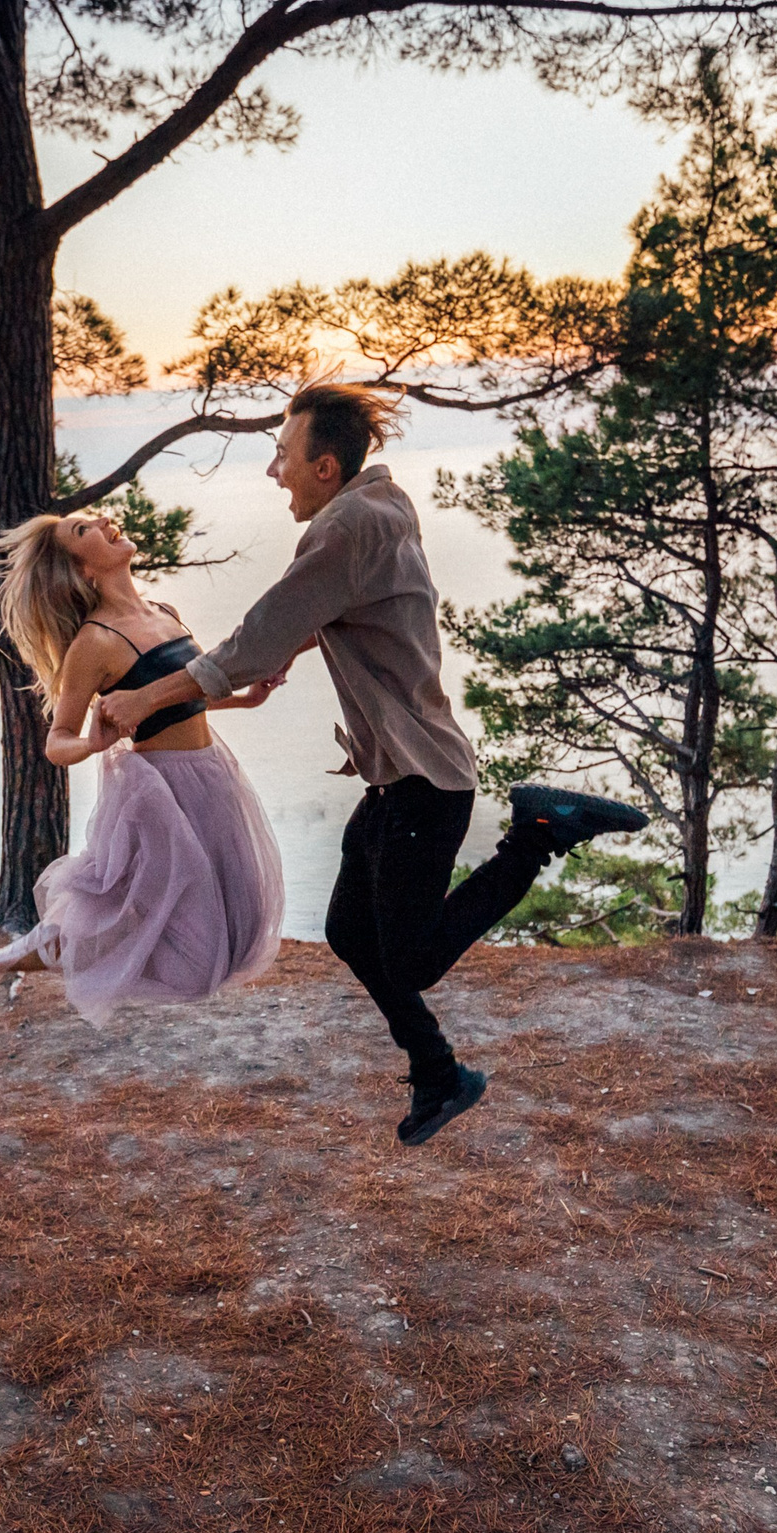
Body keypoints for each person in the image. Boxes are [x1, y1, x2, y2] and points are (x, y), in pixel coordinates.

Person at [94, 382, 648, 1146]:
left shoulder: (347, 525)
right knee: (353, 932)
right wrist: (304, 637)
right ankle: (439, 1073)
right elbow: (342, 610)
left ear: (325, 466)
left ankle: (539, 833)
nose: (272, 472)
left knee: (412, 958)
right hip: (399, 778)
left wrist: (140, 701)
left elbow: (258, 634)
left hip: (425, 782)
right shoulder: (378, 507)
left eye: (282, 456)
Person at [0, 508, 289, 1027]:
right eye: (83, 529)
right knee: (191, 953)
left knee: (239, 923)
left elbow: (184, 696)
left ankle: (54, 939)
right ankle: (46, 946)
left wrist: (247, 700)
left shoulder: (164, 611)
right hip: (160, 789)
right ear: (81, 569)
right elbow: (57, 742)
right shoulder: (93, 643)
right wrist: (94, 742)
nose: (103, 521)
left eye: (94, 517)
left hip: (211, 775)